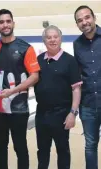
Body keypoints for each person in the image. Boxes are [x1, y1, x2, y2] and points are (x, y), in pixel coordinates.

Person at [0, 9, 40, 169]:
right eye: (2, 22)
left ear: (13, 23)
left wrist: (12, 91)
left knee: (20, 147)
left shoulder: (26, 48)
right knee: (1, 148)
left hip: (19, 108)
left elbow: (35, 76)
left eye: (8, 21)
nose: (5, 25)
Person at [34, 25, 82, 169]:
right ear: (44, 41)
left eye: (55, 37)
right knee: (42, 151)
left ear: (61, 39)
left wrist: (72, 113)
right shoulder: (39, 59)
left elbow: (76, 88)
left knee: (63, 151)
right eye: (49, 37)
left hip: (61, 114)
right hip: (41, 114)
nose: (52, 40)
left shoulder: (70, 61)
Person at [73, 5, 101, 169]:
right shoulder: (77, 44)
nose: (84, 22)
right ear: (77, 24)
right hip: (88, 105)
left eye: (87, 17)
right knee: (90, 145)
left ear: (94, 17)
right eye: (80, 20)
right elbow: (78, 74)